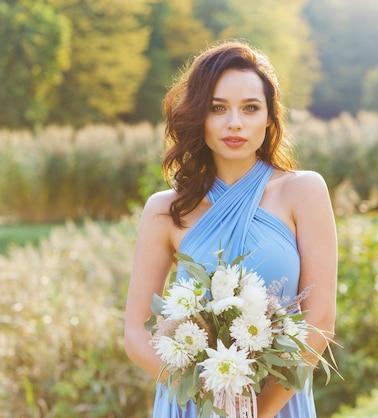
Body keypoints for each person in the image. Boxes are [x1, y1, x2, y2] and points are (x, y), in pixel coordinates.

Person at [124, 39, 337, 418]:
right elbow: (137, 334)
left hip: (279, 403)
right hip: (195, 406)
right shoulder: (165, 210)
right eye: (217, 108)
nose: (234, 122)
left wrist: (258, 411)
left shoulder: (303, 191)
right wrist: (206, 398)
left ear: (270, 117)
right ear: (198, 116)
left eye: (250, 108)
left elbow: (320, 320)